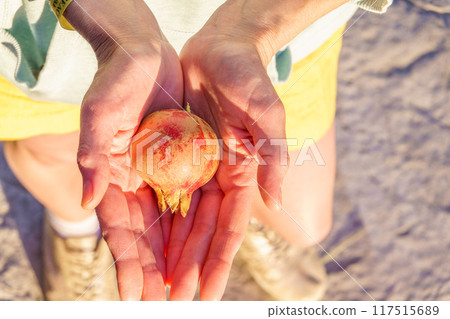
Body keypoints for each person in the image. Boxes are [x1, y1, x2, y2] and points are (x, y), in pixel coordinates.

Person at [0, 0, 391, 300]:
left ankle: (244, 217)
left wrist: (255, 30)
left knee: (305, 222)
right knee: (58, 154)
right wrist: (115, 29)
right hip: (43, 47)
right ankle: (77, 229)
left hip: (282, 36)